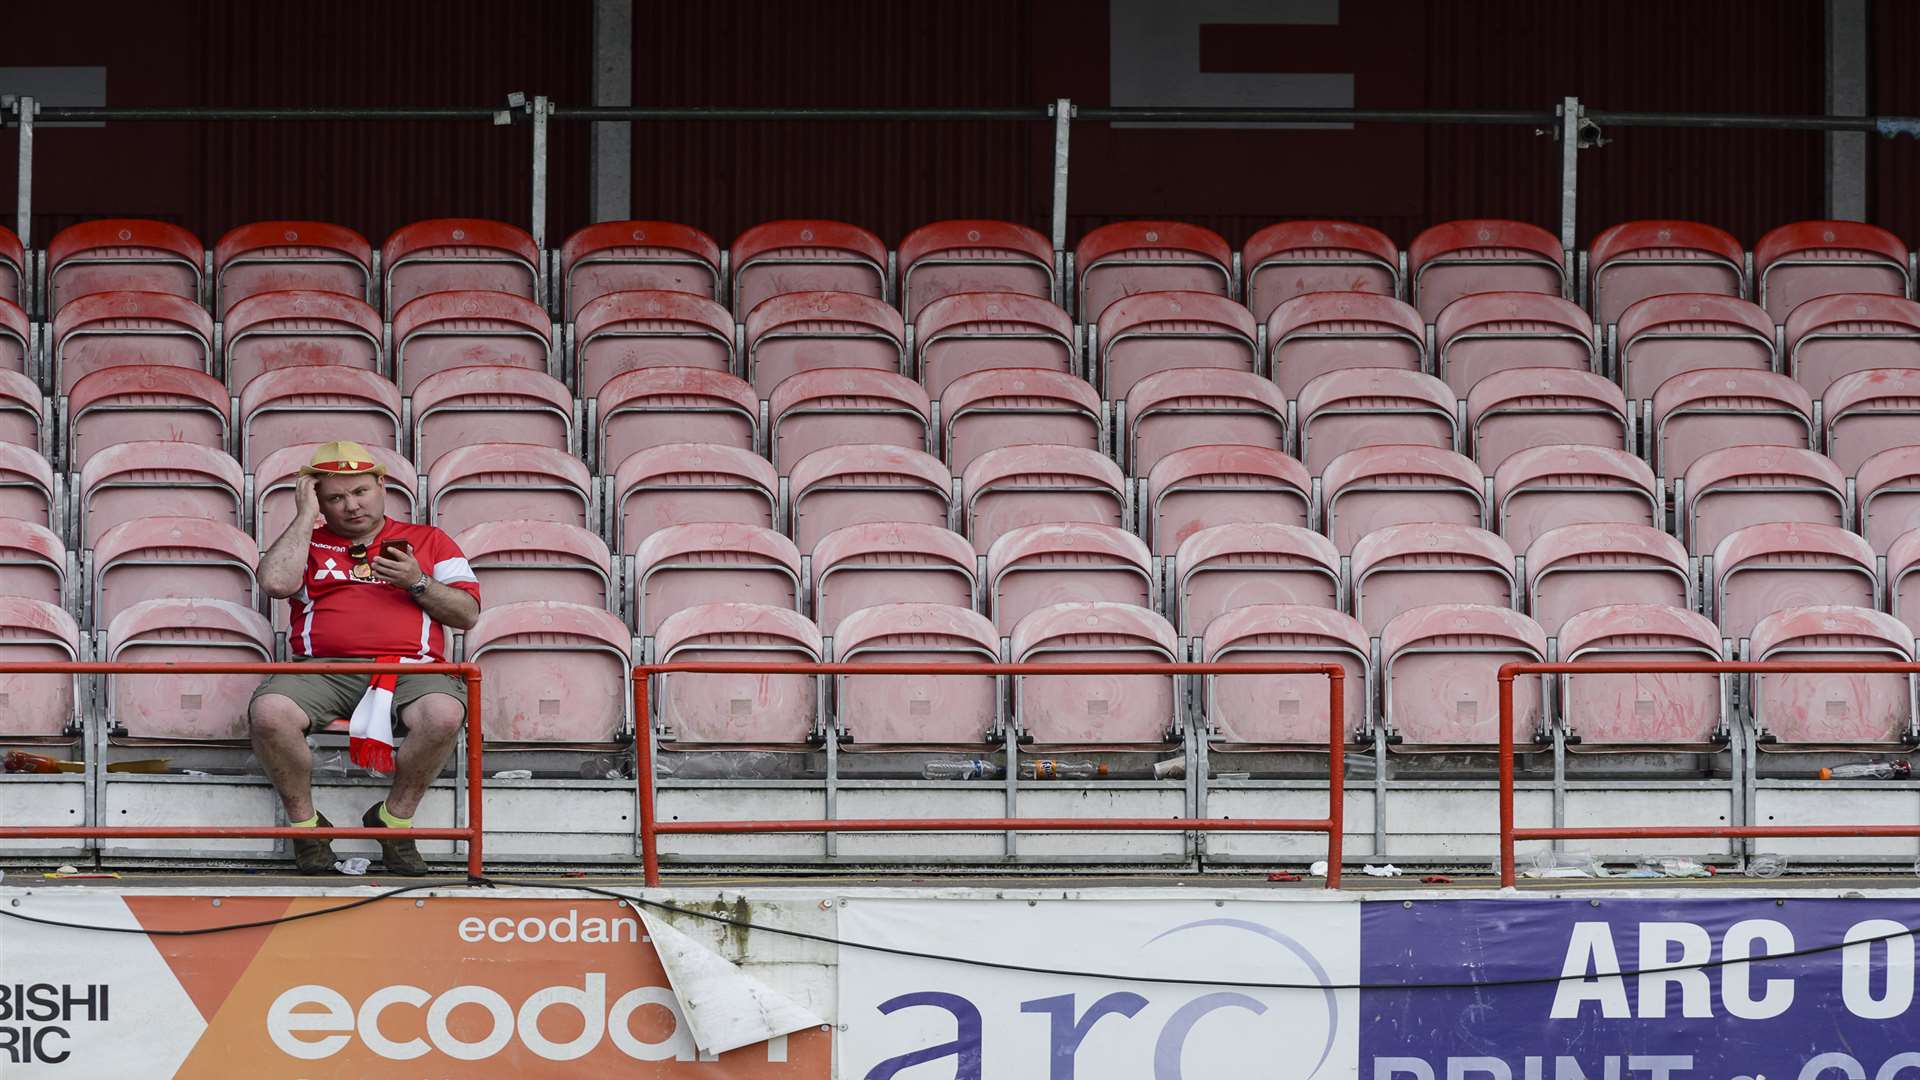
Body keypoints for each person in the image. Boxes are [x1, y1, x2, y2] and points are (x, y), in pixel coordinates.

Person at [249, 441, 481, 875]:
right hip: (323, 671)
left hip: (411, 670)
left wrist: (417, 582)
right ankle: (307, 829)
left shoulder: (429, 540)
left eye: (360, 492)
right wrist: (304, 516)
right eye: (335, 498)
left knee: (445, 713)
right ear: (319, 499)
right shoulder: (309, 540)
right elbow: (276, 584)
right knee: (269, 711)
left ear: (381, 486)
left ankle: (394, 821)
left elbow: (467, 614)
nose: (351, 506)